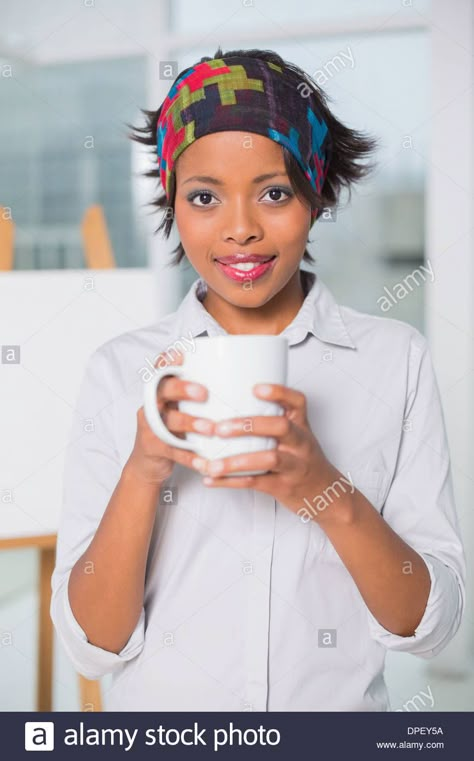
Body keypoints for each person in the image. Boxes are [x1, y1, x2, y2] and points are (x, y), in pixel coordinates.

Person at [50, 47, 465, 712]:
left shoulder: (396, 358)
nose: (240, 229)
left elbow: (430, 627)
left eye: (274, 192)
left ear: (316, 192)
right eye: (205, 196)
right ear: (173, 204)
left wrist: (323, 489)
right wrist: (143, 469)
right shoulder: (122, 369)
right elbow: (92, 646)